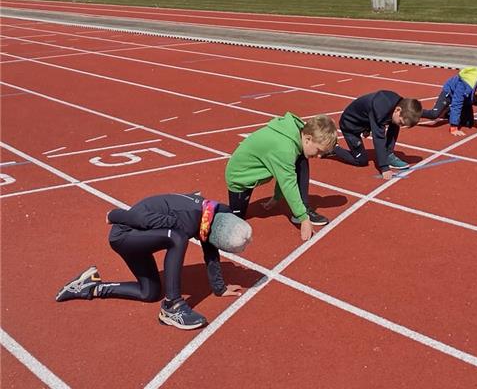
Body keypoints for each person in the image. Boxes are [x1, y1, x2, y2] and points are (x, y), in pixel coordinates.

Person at [56, 192, 252, 331]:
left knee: (148, 292)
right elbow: (142, 219)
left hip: (142, 236)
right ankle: (172, 306)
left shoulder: (216, 212)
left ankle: (89, 286)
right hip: (125, 235)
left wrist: (219, 288)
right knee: (177, 237)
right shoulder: (185, 221)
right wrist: (114, 214)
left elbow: (210, 246)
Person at [225, 113, 337, 241]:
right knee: (234, 223)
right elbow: (288, 182)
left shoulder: (296, 133)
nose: (319, 156)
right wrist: (303, 218)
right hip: (239, 178)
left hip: (250, 175)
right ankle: (207, 212)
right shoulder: (285, 149)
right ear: (308, 139)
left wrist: (277, 197)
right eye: (319, 151)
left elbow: (285, 172)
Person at [331, 91, 422, 179]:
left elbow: (397, 120)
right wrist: (384, 168)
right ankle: (332, 147)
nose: (401, 126)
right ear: (398, 110)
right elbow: (378, 138)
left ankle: (388, 155)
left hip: (364, 122)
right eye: (401, 122)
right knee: (361, 161)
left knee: (394, 124)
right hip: (350, 126)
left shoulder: (399, 105)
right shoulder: (380, 109)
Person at [420, 67, 477, 137]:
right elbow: (457, 104)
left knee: (468, 123)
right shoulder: (464, 86)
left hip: (468, 97)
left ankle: (446, 112)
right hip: (450, 92)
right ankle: (415, 112)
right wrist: (454, 126)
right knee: (434, 115)